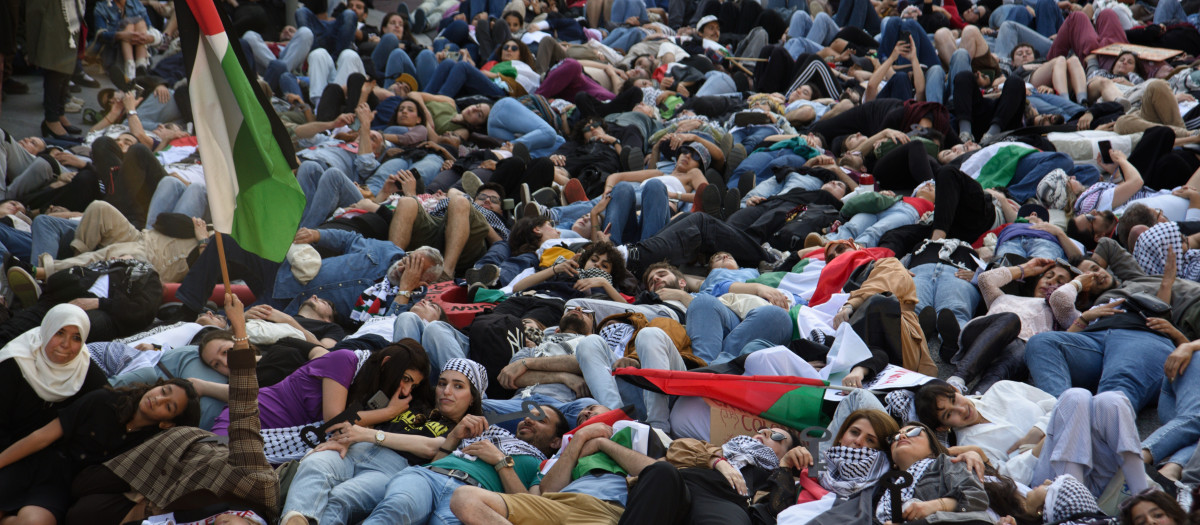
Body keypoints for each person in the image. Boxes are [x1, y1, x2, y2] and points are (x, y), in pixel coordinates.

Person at [279, 356, 485, 525]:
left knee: (342, 497)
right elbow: (365, 419)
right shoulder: (413, 402)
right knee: (314, 464)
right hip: (357, 449)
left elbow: (432, 449)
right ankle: (295, 520)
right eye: (442, 383)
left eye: (458, 386)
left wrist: (368, 434)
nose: (446, 391)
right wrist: (349, 437)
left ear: (473, 397)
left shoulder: (462, 432)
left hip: (392, 469)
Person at [0, 303, 107, 524]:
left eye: (77, 338)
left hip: (54, 471)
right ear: (47, 329)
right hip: (7, 456)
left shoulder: (89, 376)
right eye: (59, 333)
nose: (66, 345)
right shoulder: (13, 362)